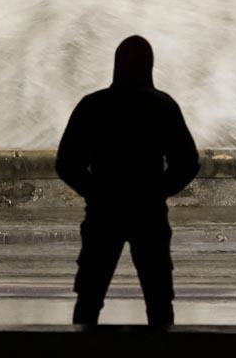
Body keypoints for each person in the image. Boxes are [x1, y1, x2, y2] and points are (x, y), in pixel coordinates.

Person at [55, 35, 200, 327]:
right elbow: (187, 163)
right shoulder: (162, 106)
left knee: (89, 296)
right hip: (149, 213)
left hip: (103, 213)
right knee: (158, 297)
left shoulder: (93, 105)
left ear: (116, 64)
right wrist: (157, 192)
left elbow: (67, 164)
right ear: (151, 65)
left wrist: (95, 192)